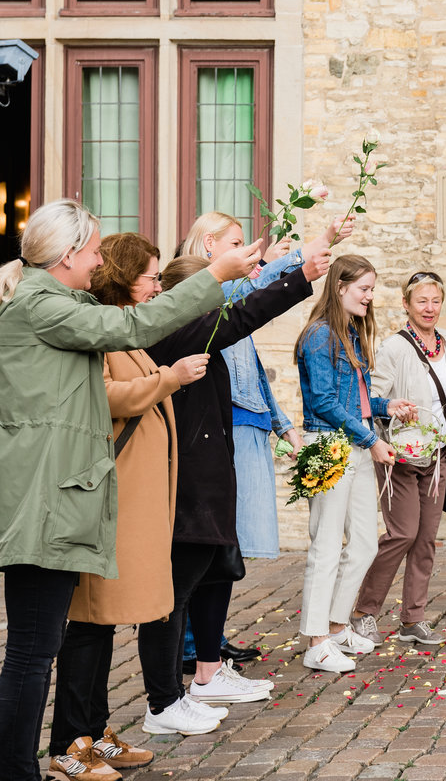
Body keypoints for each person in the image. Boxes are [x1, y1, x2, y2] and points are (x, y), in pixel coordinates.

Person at [0, 199, 260, 781]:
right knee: (32, 653)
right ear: (67, 254)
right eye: (93, 250)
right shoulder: (43, 305)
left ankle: (66, 745)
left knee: (45, 646)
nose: (100, 260)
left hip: (68, 497)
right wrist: (215, 275)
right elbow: (137, 325)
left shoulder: (60, 303)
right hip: (47, 502)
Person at [136, 242, 333, 734]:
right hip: (185, 488)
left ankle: (197, 680)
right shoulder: (174, 330)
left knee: (206, 578)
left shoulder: (194, 334)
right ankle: (163, 702)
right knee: (170, 599)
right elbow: (244, 315)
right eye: (152, 280)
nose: (157, 288)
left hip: (208, 484)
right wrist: (300, 272)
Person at [47, 234, 209, 778]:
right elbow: (105, 397)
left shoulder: (126, 329)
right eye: (151, 277)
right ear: (123, 275)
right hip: (108, 501)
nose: (158, 287)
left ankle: (95, 732)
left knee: (107, 623)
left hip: (134, 501)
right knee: (90, 624)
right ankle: (70, 744)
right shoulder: (102, 332)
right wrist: (171, 377)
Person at [176, 211, 354, 672]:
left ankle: (208, 640)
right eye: (238, 243)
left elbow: (251, 367)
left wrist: (281, 424)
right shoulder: (203, 291)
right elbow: (250, 293)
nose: (247, 253)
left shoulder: (230, 293)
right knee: (211, 541)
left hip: (250, 423)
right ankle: (194, 646)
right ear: (209, 244)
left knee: (228, 545)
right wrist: (304, 253)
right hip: (224, 425)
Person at [348, 271, 446, 647]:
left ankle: (412, 618)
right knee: (402, 533)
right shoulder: (394, 348)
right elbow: (373, 400)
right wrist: (395, 412)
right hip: (401, 455)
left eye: (435, 301)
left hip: (439, 453)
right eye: (422, 301)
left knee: (426, 539)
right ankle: (364, 612)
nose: (430, 308)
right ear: (406, 304)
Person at [296, 255, 418, 673]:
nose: (370, 296)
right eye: (364, 288)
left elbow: (356, 399)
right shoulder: (319, 336)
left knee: (365, 542)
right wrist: (371, 440)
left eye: (371, 288)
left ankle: (334, 627)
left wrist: (388, 406)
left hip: (356, 441)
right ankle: (315, 642)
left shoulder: (348, 332)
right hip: (327, 445)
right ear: (340, 287)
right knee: (326, 545)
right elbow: (325, 403)